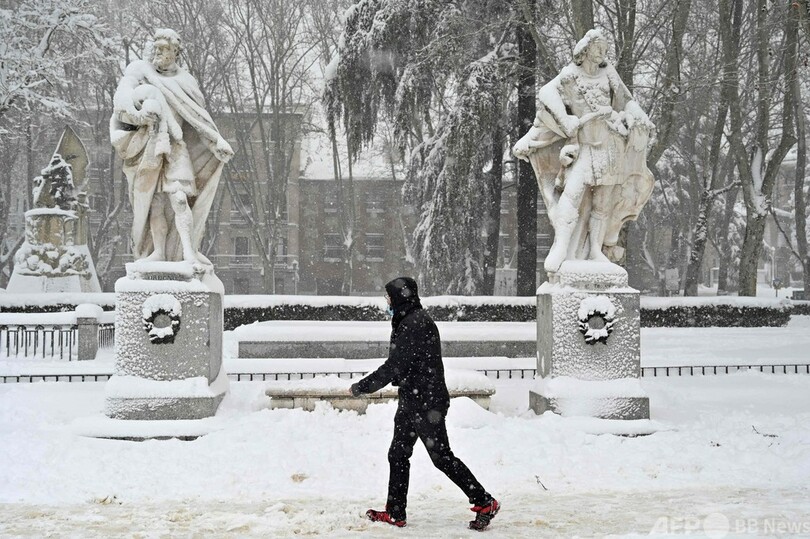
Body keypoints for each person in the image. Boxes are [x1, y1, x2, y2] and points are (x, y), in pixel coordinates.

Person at [350, 277, 500, 531]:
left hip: (426, 403)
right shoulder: (409, 319)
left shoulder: (415, 323)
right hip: (413, 398)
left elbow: (395, 365)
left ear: (400, 297)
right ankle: (395, 512)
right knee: (398, 454)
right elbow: (404, 364)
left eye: (389, 297)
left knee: (441, 457)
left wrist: (362, 386)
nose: (387, 302)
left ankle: (484, 501)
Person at [513, 28, 654, 274]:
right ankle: (562, 247)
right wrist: (564, 119)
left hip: (611, 145)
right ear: (585, 49)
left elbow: (627, 100)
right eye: (598, 47)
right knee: (572, 194)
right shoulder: (570, 75)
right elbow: (546, 93)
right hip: (584, 146)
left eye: (605, 48)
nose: (602, 52)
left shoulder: (609, 73)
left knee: (603, 203)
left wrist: (639, 116)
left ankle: (595, 250)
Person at [110, 28, 234, 264]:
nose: (158, 52)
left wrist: (214, 141)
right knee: (155, 204)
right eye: (156, 48)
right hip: (148, 149)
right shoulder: (140, 72)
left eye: (164, 48)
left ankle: (188, 251)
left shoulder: (186, 82)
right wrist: (140, 115)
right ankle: (158, 252)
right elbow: (121, 103)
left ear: (176, 52)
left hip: (176, 148)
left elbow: (197, 119)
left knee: (179, 198)